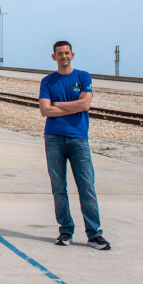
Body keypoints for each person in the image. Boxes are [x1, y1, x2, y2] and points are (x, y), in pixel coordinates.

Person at [39, 41, 110, 250]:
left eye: (67, 53)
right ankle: (65, 231)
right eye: (60, 53)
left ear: (73, 55)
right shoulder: (47, 81)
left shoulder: (83, 76)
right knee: (59, 188)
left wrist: (57, 104)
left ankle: (94, 234)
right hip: (54, 139)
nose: (64, 56)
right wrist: (74, 106)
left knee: (86, 186)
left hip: (78, 138)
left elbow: (86, 104)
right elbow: (44, 110)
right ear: (54, 57)